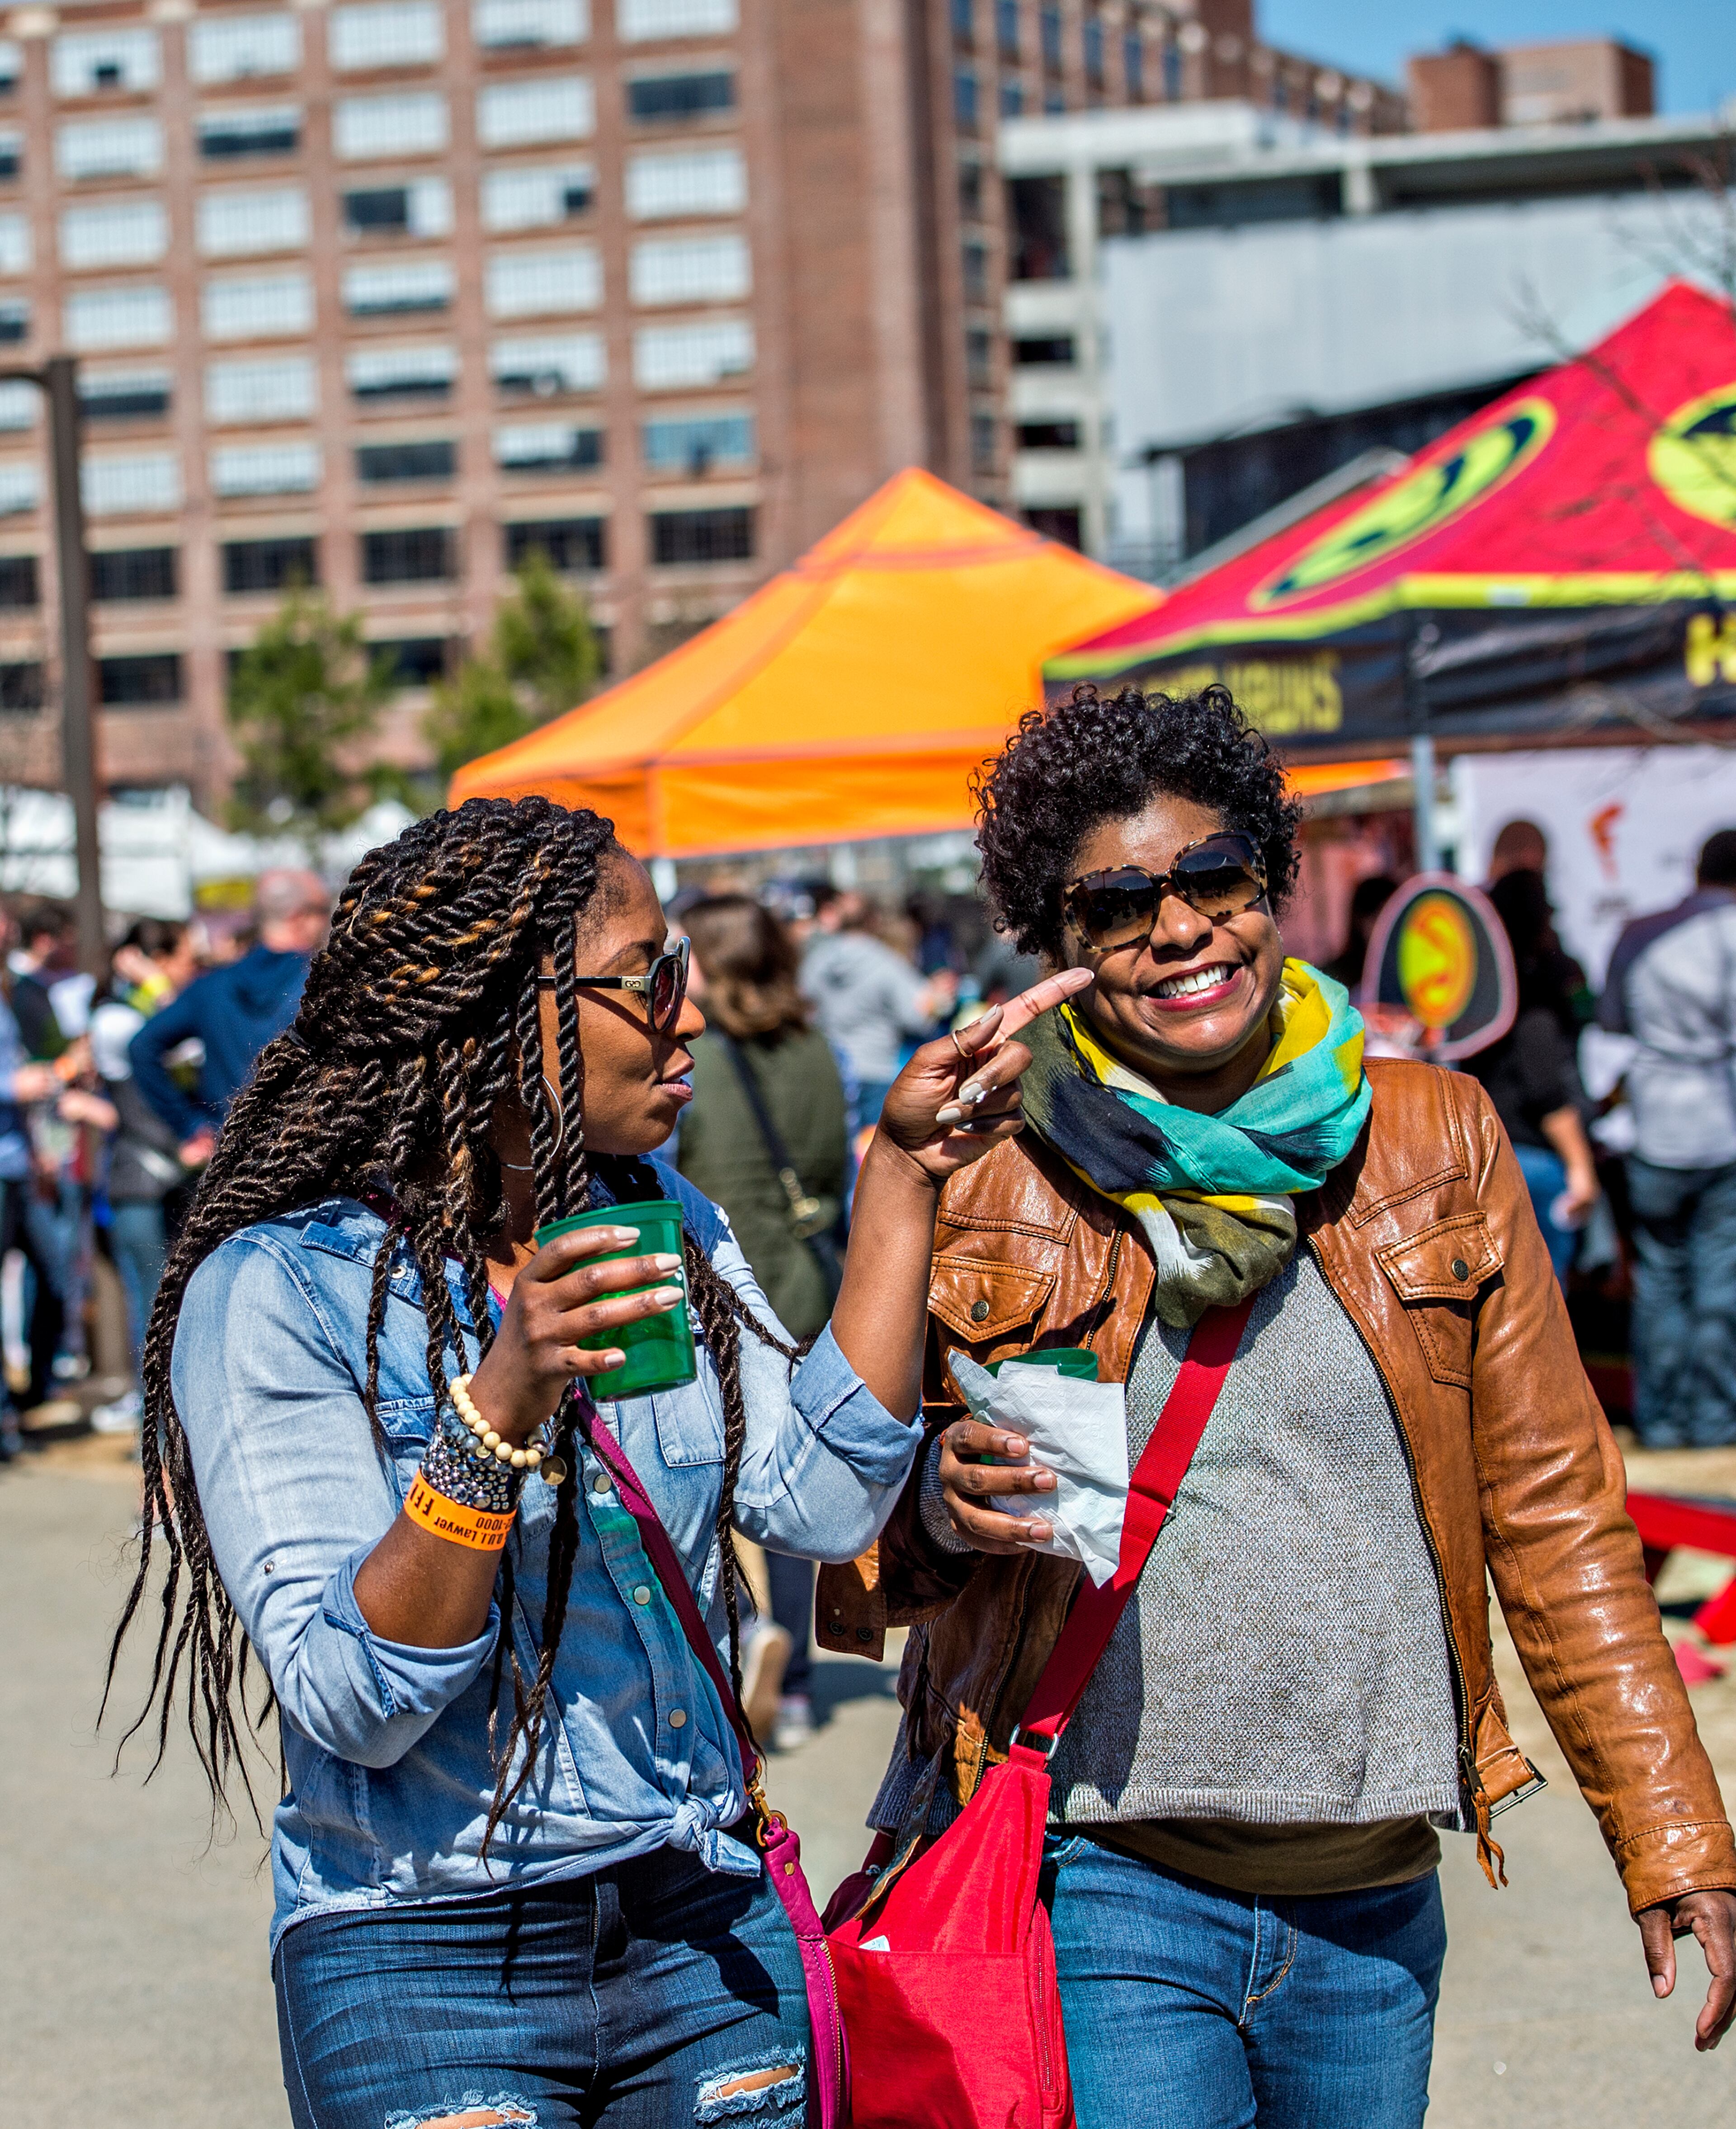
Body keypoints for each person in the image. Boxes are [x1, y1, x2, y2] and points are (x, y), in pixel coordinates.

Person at [823, 684, 1736, 2129]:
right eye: (1116, 905)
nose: (1178, 927)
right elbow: (841, 1528)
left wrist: (1671, 1832)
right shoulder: (990, 1172)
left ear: (1268, 882)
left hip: (1370, 1903)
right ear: (1056, 948)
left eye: (1209, 877)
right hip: (1106, 1878)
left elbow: (1560, 1518)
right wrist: (932, 1496)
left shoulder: (1437, 1136)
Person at [110, 795, 1080, 2128]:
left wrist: (903, 1176)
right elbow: (355, 1697)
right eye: (650, 978)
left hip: (700, 1925)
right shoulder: (283, 1287)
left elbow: (816, 1493)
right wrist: (499, 1400)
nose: (690, 1012)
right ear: (506, 1015)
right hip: (424, 1957)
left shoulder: (656, 1222)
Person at [678, 893, 850, 1750]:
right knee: (794, 1486)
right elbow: (830, 1170)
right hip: (814, 1289)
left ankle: (747, 1653)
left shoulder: (685, 1058)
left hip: (729, 1296)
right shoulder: (816, 1046)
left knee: (725, 1485)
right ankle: (798, 1688)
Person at [1598, 827, 1736, 1448]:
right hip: (1720, 1127)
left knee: (1659, 1282)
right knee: (1719, 1282)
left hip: (1654, 1128)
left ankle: (1659, 1419)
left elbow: (1611, 1020)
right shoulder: (1728, 933)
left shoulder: (1642, 931)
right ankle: (1713, 1421)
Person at [128, 867, 330, 1165]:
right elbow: (143, 1048)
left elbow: (142, 1047)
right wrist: (188, 1123)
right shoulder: (325, 987)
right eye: (325, 911)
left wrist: (192, 1126)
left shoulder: (212, 986)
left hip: (230, 1160)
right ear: (300, 917)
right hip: (307, 1160)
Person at [86, 919, 201, 1436]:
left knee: (185, 1305)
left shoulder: (177, 1009)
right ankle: (153, 1438)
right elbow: (146, 1043)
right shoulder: (113, 1018)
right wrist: (156, 987)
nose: (189, 970)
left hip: (181, 1181)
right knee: (153, 1308)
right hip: (139, 1183)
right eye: (180, 959)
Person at [1466, 869, 1600, 1288]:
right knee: (1543, 1304)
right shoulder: (1534, 997)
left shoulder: (1478, 990)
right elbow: (1547, 1089)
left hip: (1490, 1153)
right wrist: (1581, 1167)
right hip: (1533, 1158)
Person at [800, 886, 956, 1125]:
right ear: (873, 921)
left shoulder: (816, 962)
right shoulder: (884, 962)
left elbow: (803, 1010)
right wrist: (938, 999)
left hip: (831, 1071)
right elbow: (916, 1017)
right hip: (877, 1070)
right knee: (872, 1152)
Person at [1321, 872, 1396, 992]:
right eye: (1384, 918)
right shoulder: (1331, 981)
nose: (1391, 929)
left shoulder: (1406, 973)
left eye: (1397, 919)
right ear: (1361, 921)